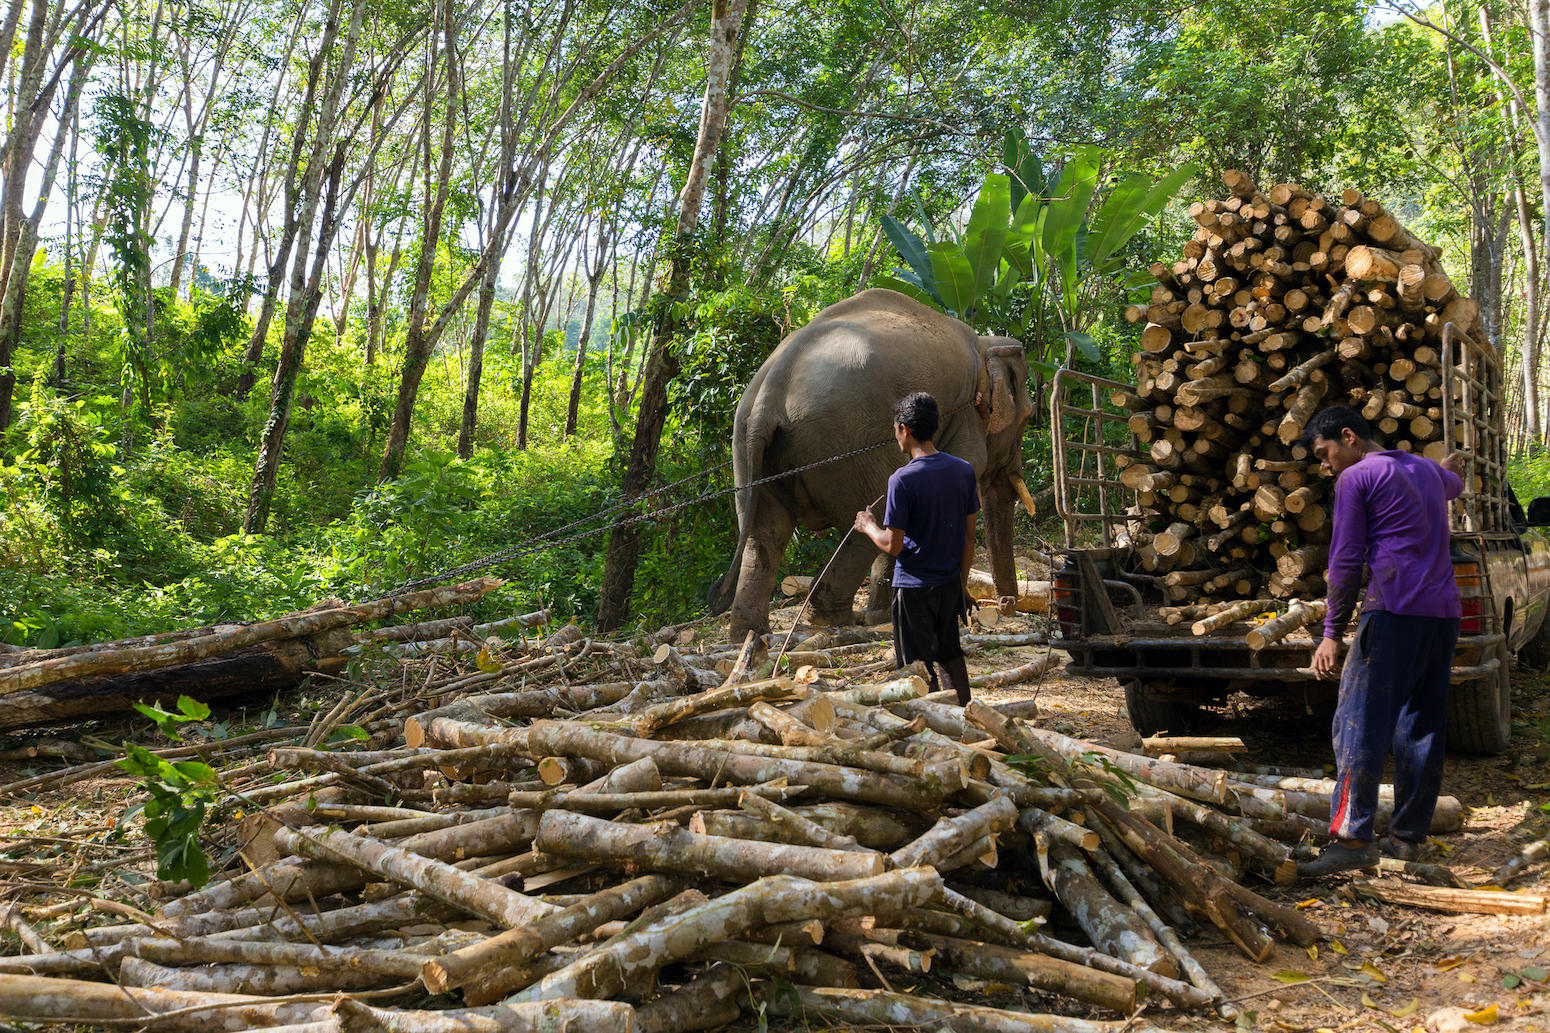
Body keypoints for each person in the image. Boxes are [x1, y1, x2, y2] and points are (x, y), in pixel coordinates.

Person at [1296, 405, 1465, 878]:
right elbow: (1456, 482)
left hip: (1391, 610)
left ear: (1349, 437)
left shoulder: (1357, 479)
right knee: (1422, 726)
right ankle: (1408, 841)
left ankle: (1352, 839)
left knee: (1358, 723)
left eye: (1326, 453)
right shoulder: (1423, 470)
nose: (1326, 464)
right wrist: (1449, 470)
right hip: (1442, 615)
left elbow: (1346, 562)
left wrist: (1331, 633)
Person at [854, 392, 980, 705]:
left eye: (895, 429)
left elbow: (893, 546)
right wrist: (960, 585)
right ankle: (966, 717)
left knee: (915, 667)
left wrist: (868, 525)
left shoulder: (902, 480)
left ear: (904, 429)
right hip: (949, 583)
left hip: (912, 588)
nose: (895, 435)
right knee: (950, 655)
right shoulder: (963, 470)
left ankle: (932, 726)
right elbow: (970, 537)